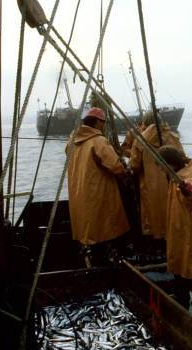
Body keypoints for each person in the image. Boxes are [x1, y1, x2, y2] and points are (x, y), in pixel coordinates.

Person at [66, 107, 130, 265]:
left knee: (87, 223)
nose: (104, 126)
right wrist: (125, 173)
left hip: (79, 189)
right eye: (103, 123)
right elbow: (115, 165)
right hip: (98, 190)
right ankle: (107, 256)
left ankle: (89, 250)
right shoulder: (98, 141)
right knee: (104, 223)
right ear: (97, 122)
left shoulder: (72, 141)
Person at [157, 145, 192, 282]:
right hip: (178, 228)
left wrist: (188, 190)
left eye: (161, 165)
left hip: (188, 230)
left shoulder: (185, 179)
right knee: (181, 262)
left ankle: (190, 288)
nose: (160, 169)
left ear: (171, 164)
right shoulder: (175, 177)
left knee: (188, 264)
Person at [130, 111, 184, 240]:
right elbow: (182, 160)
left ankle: (156, 242)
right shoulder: (173, 137)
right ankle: (173, 239)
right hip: (172, 183)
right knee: (172, 211)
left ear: (146, 122)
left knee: (152, 215)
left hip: (149, 185)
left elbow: (134, 165)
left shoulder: (140, 139)